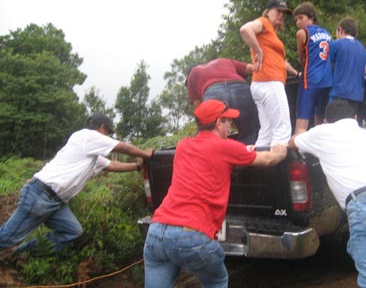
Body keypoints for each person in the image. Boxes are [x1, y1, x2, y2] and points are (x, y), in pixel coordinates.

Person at [143, 99, 287, 288]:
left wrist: (243, 151)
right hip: (191, 235)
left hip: (156, 233)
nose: (230, 127)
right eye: (228, 122)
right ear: (219, 123)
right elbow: (267, 159)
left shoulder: (183, 146)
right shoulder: (226, 148)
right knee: (217, 281)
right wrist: (281, 151)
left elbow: (210, 158)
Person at [288, 99, 366, 288]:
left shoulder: (322, 132)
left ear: (325, 120)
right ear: (355, 118)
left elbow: (293, 142)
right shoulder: (365, 134)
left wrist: (301, 131)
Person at [0, 114, 154, 256]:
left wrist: (137, 166)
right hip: (40, 194)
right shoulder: (87, 136)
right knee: (7, 237)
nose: (108, 136)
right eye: (108, 132)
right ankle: (14, 249)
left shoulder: (90, 154)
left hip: (56, 203)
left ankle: (21, 253)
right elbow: (123, 147)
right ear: (102, 128)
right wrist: (145, 154)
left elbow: (111, 165)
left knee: (72, 231)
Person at [239, 0, 298, 147]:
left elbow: (281, 61)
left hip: (261, 84)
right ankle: (279, 169)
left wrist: (296, 73)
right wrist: (258, 51)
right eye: (278, 11)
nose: (281, 15)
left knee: (267, 131)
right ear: (268, 11)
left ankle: (260, 167)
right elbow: (245, 29)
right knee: (283, 129)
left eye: (283, 13)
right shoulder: (263, 22)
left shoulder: (271, 34)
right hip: (270, 82)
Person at [186, 58, 260, 145]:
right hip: (240, 88)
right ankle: (251, 154)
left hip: (213, 92)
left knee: (209, 136)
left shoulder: (193, 73)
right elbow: (253, 69)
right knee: (251, 133)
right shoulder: (222, 61)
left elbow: (199, 112)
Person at [292, 1, 333, 135]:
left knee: (302, 120)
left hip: (309, 80)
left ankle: (299, 151)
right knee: (320, 119)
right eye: (296, 19)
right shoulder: (328, 34)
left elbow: (302, 58)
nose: (298, 22)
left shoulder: (302, 33)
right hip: (326, 81)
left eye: (300, 18)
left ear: (311, 16)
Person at [329, 17, 366, 111]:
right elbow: (365, 70)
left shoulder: (336, 44)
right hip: (356, 96)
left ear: (340, 29)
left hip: (339, 94)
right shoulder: (362, 49)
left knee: (334, 123)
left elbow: (327, 66)